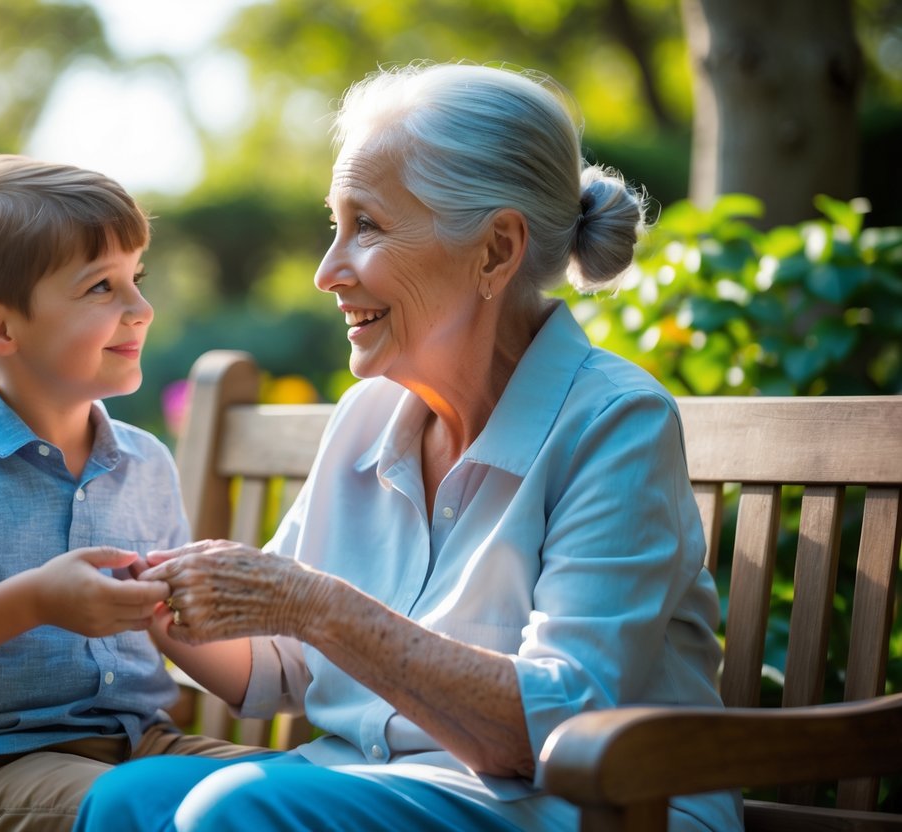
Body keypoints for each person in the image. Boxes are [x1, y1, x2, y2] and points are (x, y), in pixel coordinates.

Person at [75, 62, 744, 831]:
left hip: (584, 805)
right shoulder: (369, 414)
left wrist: (310, 603)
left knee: (236, 808)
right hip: (387, 784)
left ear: (494, 251)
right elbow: (285, 665)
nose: (327, 271)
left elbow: (554, 729)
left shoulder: (614, 423)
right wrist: (154, 600)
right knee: (124, 800)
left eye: (366, 226)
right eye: (335, 225)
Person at [0, 151, 261, 832]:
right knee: (146, 809)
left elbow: (187, 634)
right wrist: (38, 599)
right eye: (102, 286)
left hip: (141, 745)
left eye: (137, 278)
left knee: (296, 798)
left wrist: (185, 611)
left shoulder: (145, 462)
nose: (140, 308)